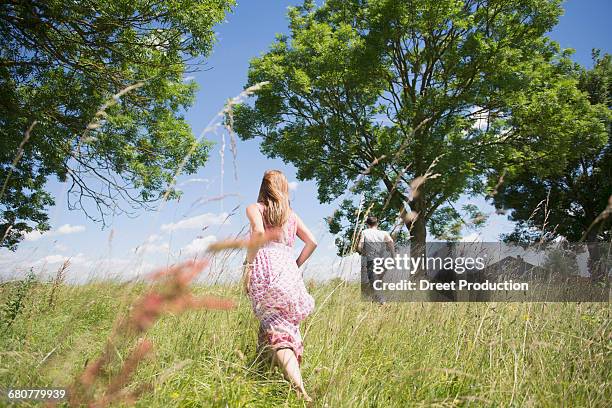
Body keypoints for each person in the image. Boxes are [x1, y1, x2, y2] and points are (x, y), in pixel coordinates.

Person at [244, 170, 317, 401]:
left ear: (264, 187)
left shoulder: (256, 208)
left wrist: (248, 265)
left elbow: (257, 231)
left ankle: (299, 390)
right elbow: (312, 242)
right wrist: (295, 264)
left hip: (266, 268)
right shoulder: (291, 216)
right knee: (276, 323)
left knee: (276, 330)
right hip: (289, 271)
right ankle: (262, 370)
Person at [357, 216, 395, 304]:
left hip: (372, 261)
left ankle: (383, 303)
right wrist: (393, 255)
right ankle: (376, 303)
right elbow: (391, 242)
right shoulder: (384, 233)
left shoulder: (365, 232)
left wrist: (363, 252)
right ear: (376, 223)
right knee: (378, 282)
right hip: (384, 261)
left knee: (374, 284)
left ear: (367, 224)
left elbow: (359, 247)